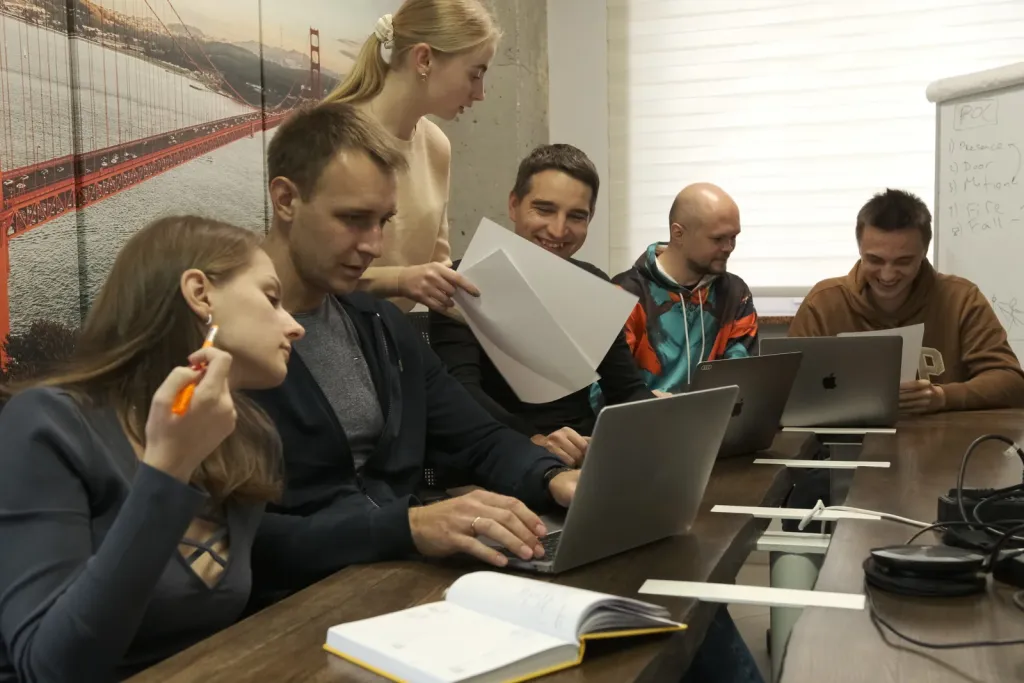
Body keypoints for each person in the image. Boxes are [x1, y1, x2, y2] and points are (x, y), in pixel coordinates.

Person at [249, 102, 579, 605]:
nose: (375, 246)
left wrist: (554, 477)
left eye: (383, 221)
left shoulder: (380, 324)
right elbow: (237, 538)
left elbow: (478, 438)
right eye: (354, 219)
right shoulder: (217, 341)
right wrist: (408, 526)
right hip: (292, 607)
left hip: (396, 581)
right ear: (286, 199)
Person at [0, 217, 305, 682]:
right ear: (200, 294)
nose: (295, 326)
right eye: (271, 297)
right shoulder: (47, 424)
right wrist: (168, 470)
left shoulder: (249, 440)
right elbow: (53, 668)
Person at [428, 144, 654, 465]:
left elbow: (626, 390)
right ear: (514, 205)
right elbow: (463, 395)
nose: (559, 230)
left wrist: (669, 418)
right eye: (544, 209)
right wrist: (535, 441)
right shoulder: (461, 281)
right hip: (495, 453)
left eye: (576, 216)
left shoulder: (592, 284)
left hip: (583, 453)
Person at [322, 0, 500, 314]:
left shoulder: (437, 146)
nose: (481, 93)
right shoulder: (333, 137)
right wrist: (401, 280)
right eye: (475, 75)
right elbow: (311, 271)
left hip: (392, 334)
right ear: (424, 59)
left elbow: (438, 266)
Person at [789, 188, 1024, 413]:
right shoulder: (824, 303)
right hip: (845, 436)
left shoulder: (961, 299)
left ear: (924, 252)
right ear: (860, 249)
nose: (887, 275)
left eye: (903, 262)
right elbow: (786, 389)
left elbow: (1012, 382)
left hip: (943, 435)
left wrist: (943, 397)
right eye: (875, 260)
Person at [602, 182, 758, 398]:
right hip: (643, 416)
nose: (728, 247)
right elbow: (606, 390)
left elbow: (743, 382)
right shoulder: (623, 294)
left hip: (715, 416)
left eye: (733, 237)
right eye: (718, 238)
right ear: (678, 233)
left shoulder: (735, 293)